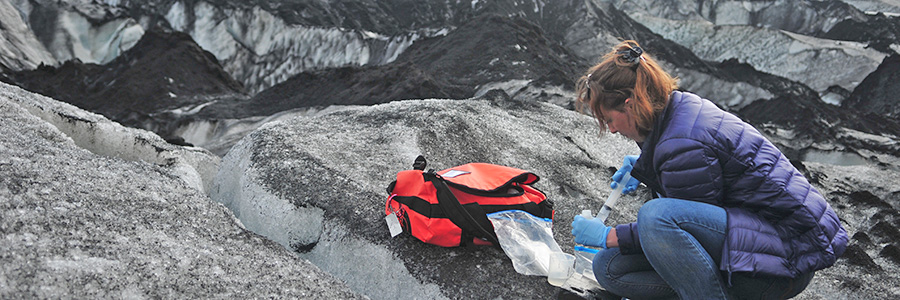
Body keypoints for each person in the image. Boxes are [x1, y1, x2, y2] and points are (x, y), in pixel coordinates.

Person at [570, 40, 848, 299]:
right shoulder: (678, 110)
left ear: (629, 104)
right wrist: (646, 167)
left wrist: (609, 235)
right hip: (753, 242)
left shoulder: (683, 144)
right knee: (609, 268)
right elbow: (696, 216)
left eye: (609, 119)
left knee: (655, 217)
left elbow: (677, 224)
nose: (613, 129)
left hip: (780, 263)